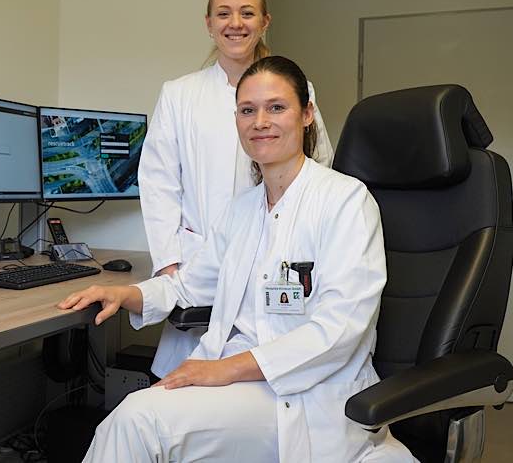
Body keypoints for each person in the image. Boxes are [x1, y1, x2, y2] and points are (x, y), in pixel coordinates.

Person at [58, 56, 415, 462]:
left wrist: (222, 370)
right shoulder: (242, 209)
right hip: (241, 386)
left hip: (307, 393)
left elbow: (339, 330)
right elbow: (188, 285)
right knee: (138, 418)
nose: (260, 121)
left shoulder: (346, 200)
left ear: (307, 114)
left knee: (137, 420)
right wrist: (125, 294)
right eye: (248, 110)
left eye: (276, 107)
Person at [138, 0, 334, 378]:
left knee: (266, 368)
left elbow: (319, 164)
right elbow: (158, 182)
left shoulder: (297, 88)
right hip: (197, 263)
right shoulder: (180, 94)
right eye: (224, 14)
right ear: (208, 23)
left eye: (248, 13)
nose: (235, 23)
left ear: (265, 21)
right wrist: (170, 264)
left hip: (272, 261)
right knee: (189, 380)